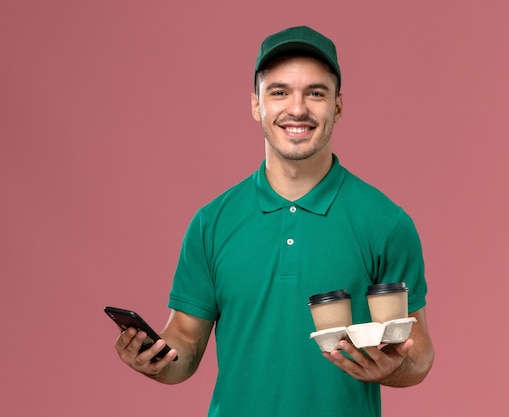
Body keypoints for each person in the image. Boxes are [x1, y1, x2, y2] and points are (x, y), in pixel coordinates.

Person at [114, 25, 434, 417]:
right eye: (279, 92)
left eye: (315, 93)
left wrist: (396, 366)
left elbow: (418, 351)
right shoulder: (212, 223)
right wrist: (155, 359)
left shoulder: (385, 223)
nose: (297, 109)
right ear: (255, 105)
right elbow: (185, 342)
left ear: (337, 106)